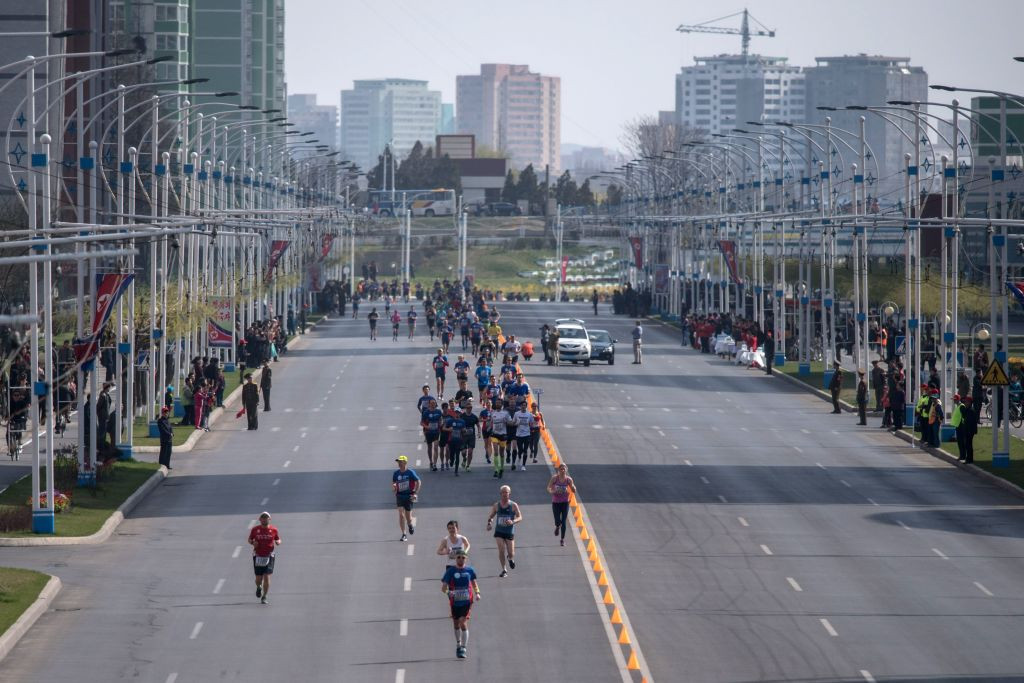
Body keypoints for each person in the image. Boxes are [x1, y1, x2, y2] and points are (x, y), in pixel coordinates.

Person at [441, 548, 481, 659]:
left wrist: (477, 593)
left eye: (463, 557)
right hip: (455, 602)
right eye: (458, 557)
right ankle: (458, 644)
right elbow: (443, 588)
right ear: (455, 558)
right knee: (456, 623)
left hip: (467, 601)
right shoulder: (450, 572)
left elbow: (474, 583)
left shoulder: (470, 570)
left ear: (466, 559)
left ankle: (463, 648)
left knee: (463, 622)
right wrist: (450, 593)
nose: (461, 559)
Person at [486, 485, 523, 577]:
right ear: (500, 494)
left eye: (506, 492)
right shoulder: (496, 505)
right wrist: (489, 523)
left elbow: (520, 517)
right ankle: (504, 570)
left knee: (511, 553)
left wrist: (513, 521)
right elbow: (491, 516)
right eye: (502, 492)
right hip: (499, 531)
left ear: (509, 494)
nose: (504, 494)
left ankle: (510, 558)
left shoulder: (513, 505)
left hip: (509, 531)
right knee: (501, 549)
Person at [248, 511, 281, 605]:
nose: (264, 519)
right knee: (258, 578)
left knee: (267, 576)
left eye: (266, 517)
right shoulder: (255, 529)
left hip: (269, 555)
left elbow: (278, 538)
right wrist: (252, 543)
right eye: (262, 517)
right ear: (260, 519)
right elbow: (249, 539)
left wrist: (278, 542)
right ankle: (259, 587)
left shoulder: (274, 529)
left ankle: (264, 596)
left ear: (269, 519)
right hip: (258, 555)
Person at [547, 463, 577, 547]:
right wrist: (552, 491)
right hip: (556, 502)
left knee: (563, 521)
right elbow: (548, 487)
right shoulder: (554, 478)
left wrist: (573, 488)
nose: (562, 470)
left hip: (565, 502)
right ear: (558, 470)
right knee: (557, 520)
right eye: (561, 469)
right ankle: (557, 526)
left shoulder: (568, 480)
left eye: (564, 469)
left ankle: (562, 539)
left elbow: (573, 489)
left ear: (566, 470)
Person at [393, 455, 420, 541]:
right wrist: (394, 487)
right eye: (398, 462)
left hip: (409, 496)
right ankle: (404, 534)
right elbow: (393, 483)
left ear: (405, 462)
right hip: (400, 495)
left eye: (401, 462)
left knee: (409, 517)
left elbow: (418, 481)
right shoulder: (396, 473)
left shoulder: (410, 472)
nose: (399, 463)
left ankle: (410, 525)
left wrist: (415, 493)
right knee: (401, 515)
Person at [958, 396, 977, 463]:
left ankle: (969, 459)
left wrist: (970, 430)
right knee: (967, 445)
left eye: (966, 402)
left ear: (970, 402)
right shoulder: (967, 409)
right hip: (966, 430)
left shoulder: (971, 411)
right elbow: (964, 416)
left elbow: (972, 422)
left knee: (968, 445)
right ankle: (968, 458)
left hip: (969, 431)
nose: (965, 403)